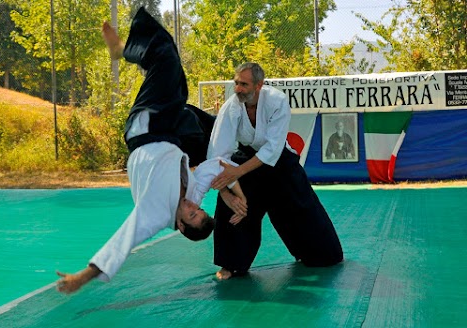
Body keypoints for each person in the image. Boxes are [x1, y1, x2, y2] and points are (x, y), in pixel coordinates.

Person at [56, 7, 246, 294]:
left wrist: (82, 277)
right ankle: (127, 51)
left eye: (192, 215)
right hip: (168, 129)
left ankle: (124, 50)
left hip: (145, 130)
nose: (194, 208)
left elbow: (123, 241)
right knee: (174, 73)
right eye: (199, 211)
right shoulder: (193, 196)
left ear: (181, 227)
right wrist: (236, 194)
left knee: (168, 65)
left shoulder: (155, 214)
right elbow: (216, 166)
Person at [208, 62, 344, 280]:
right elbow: (218, 155)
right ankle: (231, 264)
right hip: (246, 157)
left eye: (244, 84)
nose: (238, 89)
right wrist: (227, 193)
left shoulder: (277, 101)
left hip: (279, 160)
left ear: (259, 85)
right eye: (236, 83)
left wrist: (238, 172)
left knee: (300, 205)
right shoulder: (231, 108)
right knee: (232, 207)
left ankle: (320, 252)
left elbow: (272, 149)